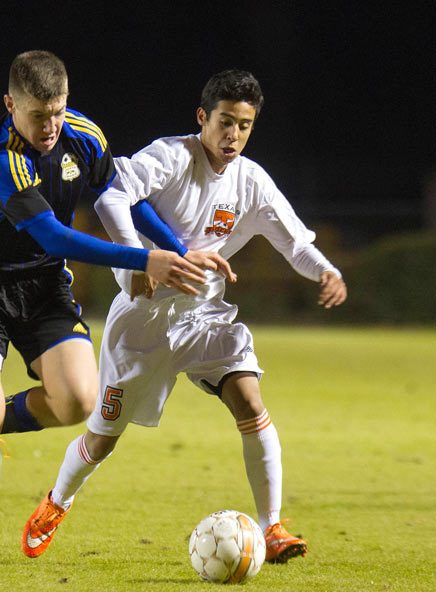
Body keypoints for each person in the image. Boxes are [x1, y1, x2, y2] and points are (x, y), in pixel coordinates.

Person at [22, 69, 347, 564]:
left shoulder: (252, 182)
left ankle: (273, 526)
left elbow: (295, 244)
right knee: (103, 437)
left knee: (250, 402)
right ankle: (57, 501)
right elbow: (111, 195)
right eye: (224, 122)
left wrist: (325, 271)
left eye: (244, 125)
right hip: (143, 321)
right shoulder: (172, 156)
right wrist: (136, 263)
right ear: (203, 117)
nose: (232, 135)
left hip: (206, 317)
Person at [0, 50, 232, 565]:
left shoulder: (84, 135)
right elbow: (54, 237)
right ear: (11, 105)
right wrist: (145, 258)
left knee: (78, 401)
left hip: (44, 286)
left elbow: (122, 194)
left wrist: (180, 252)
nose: (51, 125)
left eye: (58, 111)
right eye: (38, 115)